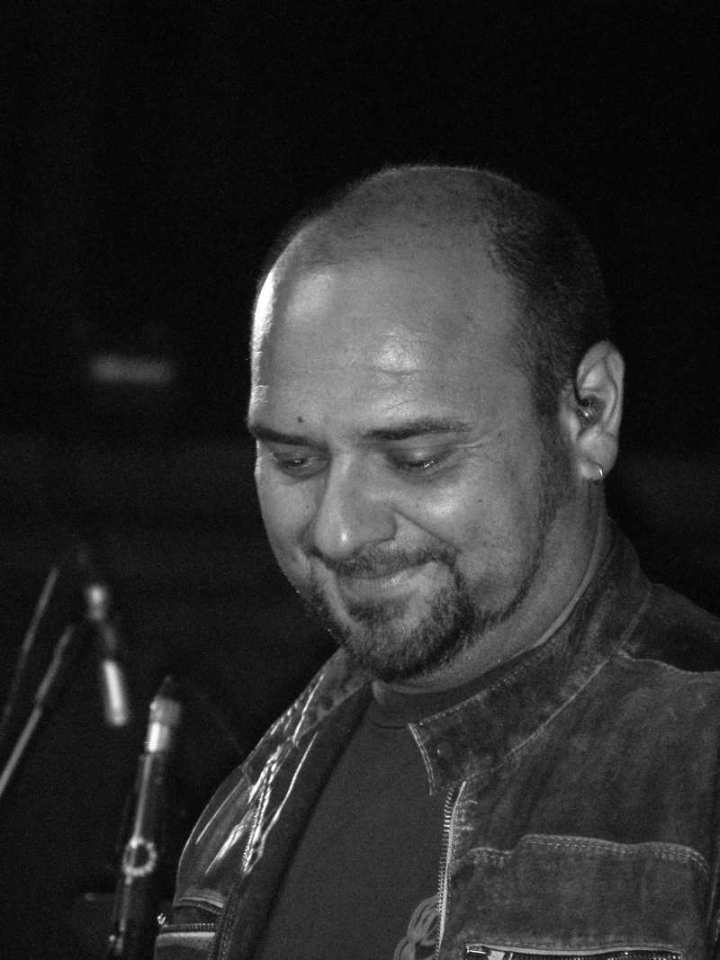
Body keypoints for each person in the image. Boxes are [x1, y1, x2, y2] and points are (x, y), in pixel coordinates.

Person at [153, 166, 720, 960]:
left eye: (415, 458)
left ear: (589, 413)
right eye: (294, 460)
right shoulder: (243, 810)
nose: (340, 531)